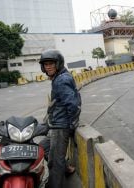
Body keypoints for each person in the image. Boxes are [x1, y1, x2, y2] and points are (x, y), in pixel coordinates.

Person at [38, 49, 81, 188]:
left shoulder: (61, 80)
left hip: (61, 127)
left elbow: (72, 104)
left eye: (51, 63)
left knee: (55, 162)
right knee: (42, 148)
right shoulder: (58, 77)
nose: (48, 66)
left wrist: (71, 125)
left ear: (58, 64)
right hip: (55, 125)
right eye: (45, 64)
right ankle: (66, 167)